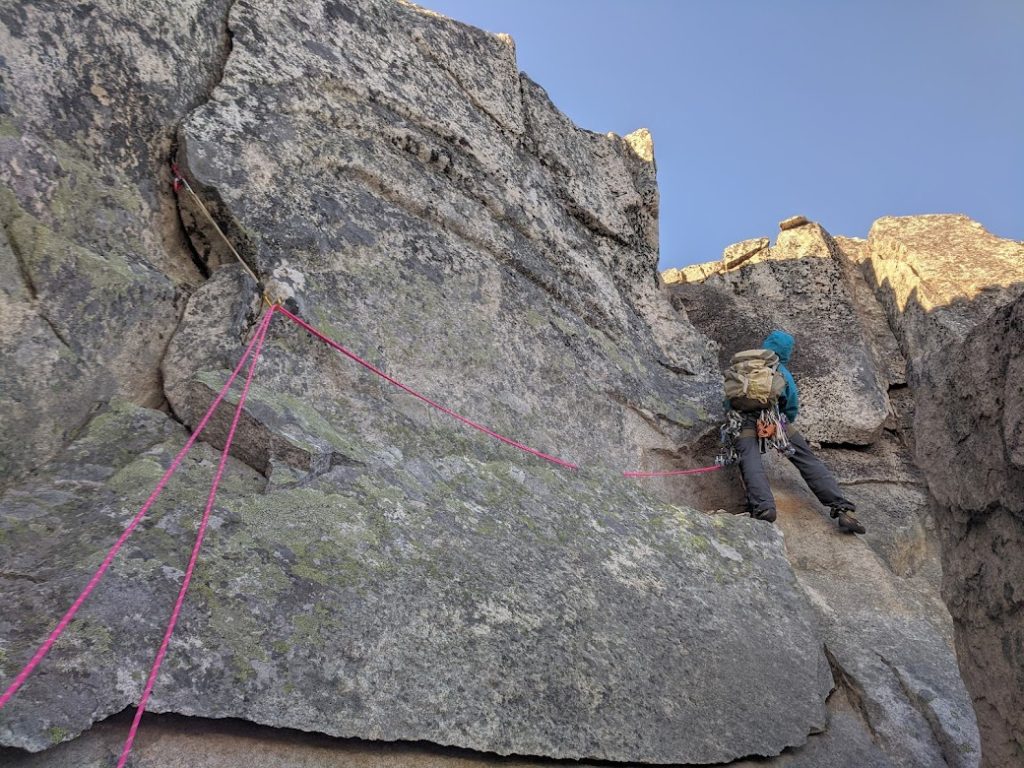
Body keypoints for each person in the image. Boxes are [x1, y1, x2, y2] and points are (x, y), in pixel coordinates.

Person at [732, 330, 866, 534]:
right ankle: (842, 508)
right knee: (807, 459)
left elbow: (729, 399)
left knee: (750, 459)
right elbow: (791, 406)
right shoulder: (783, 373)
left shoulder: (745, 365)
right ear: (786, 354)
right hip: (776, 421)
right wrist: (779, 427)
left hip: (744, 421)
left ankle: (764, 508)